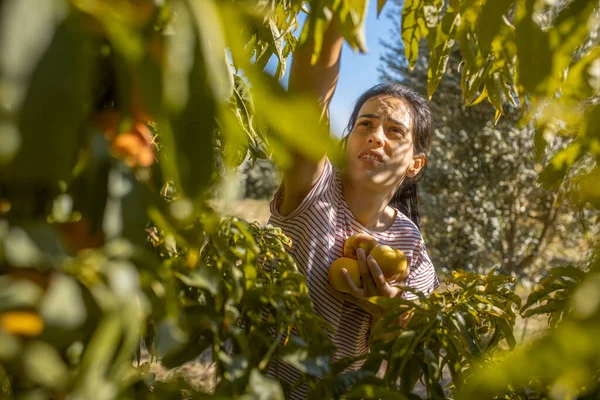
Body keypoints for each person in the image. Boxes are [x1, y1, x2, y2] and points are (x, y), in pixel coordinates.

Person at [265, 20, 439, 399]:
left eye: (395, 131)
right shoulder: (314, 192)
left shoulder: (408, 239)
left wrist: (384, 309)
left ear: (415, 164)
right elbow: (307, 103)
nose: (376, 135)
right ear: (345, 144)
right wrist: (333, 17)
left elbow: (412, 350)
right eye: (365, 124)